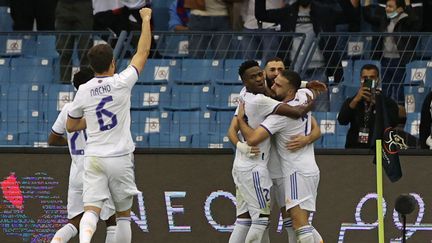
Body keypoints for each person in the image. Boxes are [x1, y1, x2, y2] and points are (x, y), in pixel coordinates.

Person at [66, 7, 152, 243]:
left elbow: (72, 126)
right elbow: (142, 52)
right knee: (123, 215)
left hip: (93, 157)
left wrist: (91, 119)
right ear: (113, 63)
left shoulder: (83, 90)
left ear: (92, 66)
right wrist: (145, 19)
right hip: (120, 156)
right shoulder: (122, 82)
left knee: (91, 209)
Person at [227, 60, 323, 243]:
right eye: (272, 70)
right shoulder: (273, 101)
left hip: (280, 170)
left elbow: (314, 127)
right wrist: (242, 145)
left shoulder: (281, 99)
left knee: (291, 220)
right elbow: (234, 131)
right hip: (257, 165)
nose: (274, 74)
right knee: (255, 220)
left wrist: (307, 138)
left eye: (280, 70)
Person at [49, 67, 117, 243]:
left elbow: (52, 139)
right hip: (97, 169)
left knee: (74, 222)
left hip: (77, 171)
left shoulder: (68, 109)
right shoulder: (99, 108)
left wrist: (72, 146)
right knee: (111, 220)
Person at [363, 0, 421, 107]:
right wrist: (367, 2)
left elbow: (416, 20)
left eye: (390, 6)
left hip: (400, 60)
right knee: (386, 89)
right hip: (385, 59)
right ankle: (386, 113)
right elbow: (368, 17)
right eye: (386, 6)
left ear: (399, 9)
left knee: (399, 89)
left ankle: (400, 115)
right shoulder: (384, 20)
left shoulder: (406, 21)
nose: (387, 8)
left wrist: (407, 4)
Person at [337, 64, 399, 148]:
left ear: (378, 80)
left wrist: (377, 103)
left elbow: (393, 122)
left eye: (372, 77)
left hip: (378, 148)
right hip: (354, 149)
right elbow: (342, 120)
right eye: (365, 78)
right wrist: (355, 100)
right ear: (361, 80)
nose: (368, 80)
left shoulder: (388, 103)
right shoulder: (352, 101)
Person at [55, 0, 93, 83]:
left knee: (85, 51)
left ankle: (87, 86)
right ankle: (64, 86)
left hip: (83, 6)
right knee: (64, 51)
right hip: (63, 6)